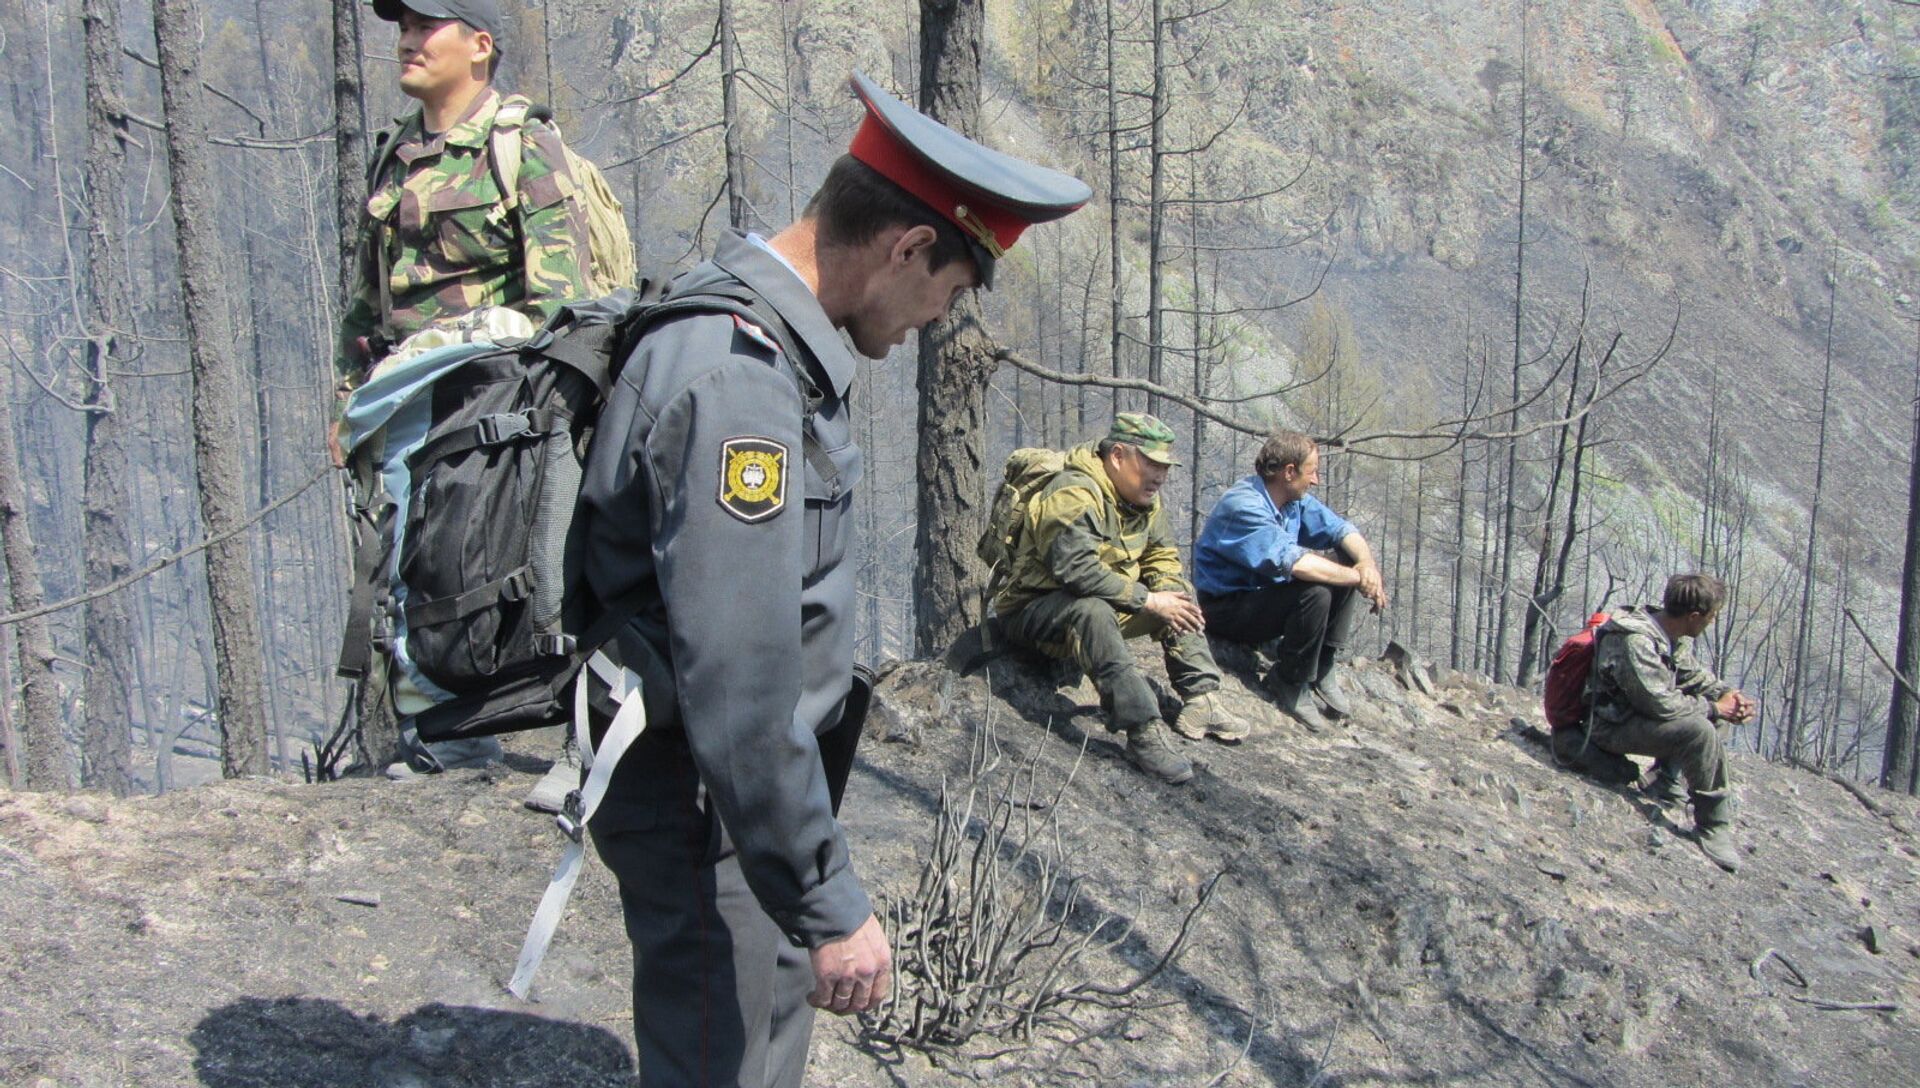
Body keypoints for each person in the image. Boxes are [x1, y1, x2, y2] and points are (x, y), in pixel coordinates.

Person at [575, 72, 1089, 1087]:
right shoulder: (741, 387)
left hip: (726, 807)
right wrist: (827, 897)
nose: (927, 323)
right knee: (730, 1060)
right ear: (905, 246)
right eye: (943, 294)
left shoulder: (748, 346)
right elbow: (740, 679)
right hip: (708, 803)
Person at [337, 0, 591, 775]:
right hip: (399, 410)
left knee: (473, 570)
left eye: (425, 26)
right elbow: (364, 302)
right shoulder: (396, 157)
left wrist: (467, 361)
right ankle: (424, 735)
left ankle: (484, 727)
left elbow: (559, 299)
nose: (407, 40)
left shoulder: (523, 147)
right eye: (403, 27)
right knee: (399, 569)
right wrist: (349, 395)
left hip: (489, 411)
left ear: (479, 46)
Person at [992, 414, 1244, 785]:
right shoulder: (1073, 493)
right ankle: (1142, 730)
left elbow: (1161, 556)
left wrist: (1165, 593)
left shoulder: (1143, 499)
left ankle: (1201, 697)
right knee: (1093, 611)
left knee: (1177, 595)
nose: (1160, 475)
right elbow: (1075, 572)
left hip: (1104, 604)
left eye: (1164, 466)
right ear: (1118, 457)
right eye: (1151, 463)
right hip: (1033, 611)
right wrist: (1149, 601)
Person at [1557, 573, 1756, 872]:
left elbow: (1691, 676)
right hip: (1610, 726)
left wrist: (1727, 696)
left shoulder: (1667, 633)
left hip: (1636, 717)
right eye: (1711, 616)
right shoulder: (1635, 641)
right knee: (1701, 729)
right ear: (1694, 616)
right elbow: (1660, 704)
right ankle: (1713, 825)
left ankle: (1665, 782)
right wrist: (1716, 708)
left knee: (1712, 718)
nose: (1712, 622)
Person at [1192, 432, 1388, 731]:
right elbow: (1296, 563)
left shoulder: (1293, 502)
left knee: (1345, 561)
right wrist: (1358, 579)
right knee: (1316, 590)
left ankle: (1322, 662)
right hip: (1225, 608)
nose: (1316, 480)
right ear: (1289, 472)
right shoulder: (1244, 506)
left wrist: (1365, 565)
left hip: (1261, 597)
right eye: (1312, 472)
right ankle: (1289, 680)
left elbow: (1341, 530)